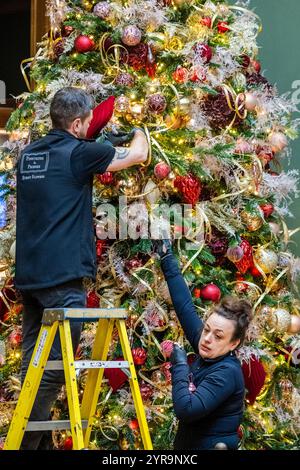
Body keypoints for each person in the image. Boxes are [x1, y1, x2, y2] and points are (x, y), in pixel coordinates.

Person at [15, 87, 148, 450]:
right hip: (64, 278)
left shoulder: (28, 155)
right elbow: (139, 154)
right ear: (76, 123)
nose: (90, 128)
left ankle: (37, 446)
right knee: (54, 371)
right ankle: (25, 445)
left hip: (29, 277)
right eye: (88, 123)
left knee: (33, 366)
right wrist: (138, 131)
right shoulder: (80, 152)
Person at [153, 240, 252, 450]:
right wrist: (166, 258)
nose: (206, 339)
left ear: (234, 343)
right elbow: (184, 306)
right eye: (206, 330)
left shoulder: (227, 372)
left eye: (218, 336)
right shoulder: (209, 349)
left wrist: (180, 366)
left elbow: (187, 409)